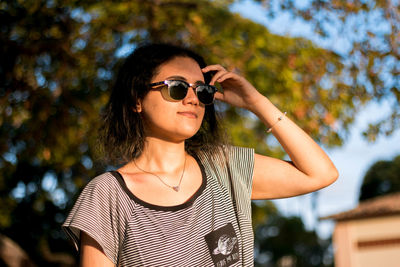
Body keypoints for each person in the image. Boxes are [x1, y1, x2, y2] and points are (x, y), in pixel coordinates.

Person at [62, 43, 338, 266]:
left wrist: (256, 102)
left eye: (202, 90)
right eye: (177, 87)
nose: (192, 98)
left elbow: (320, 173)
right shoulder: (107, 195)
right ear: (137, 100)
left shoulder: (223, 167)